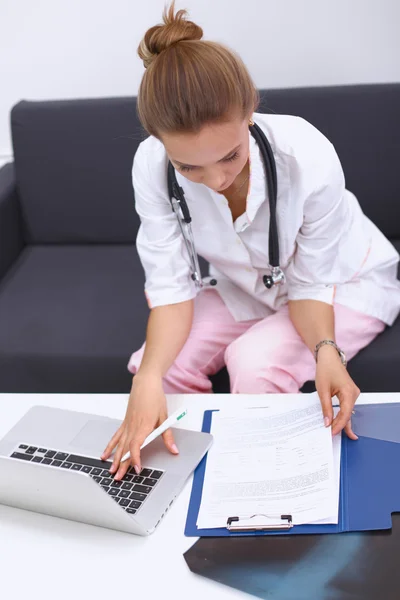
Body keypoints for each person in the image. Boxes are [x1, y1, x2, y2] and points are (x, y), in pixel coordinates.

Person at [102, 3, 400, 480]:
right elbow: (172, 289)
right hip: (244, 285)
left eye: (229, 156)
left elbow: (310, 286)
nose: (216, 180)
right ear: (160, 143)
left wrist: (327, 350)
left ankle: (263, 486)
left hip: (342, 283)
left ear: (251, 109)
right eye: (189, 168)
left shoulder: (307, 155)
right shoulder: (150, 165)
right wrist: (151, 380)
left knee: (254, 364)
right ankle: (184, 478)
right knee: (156, 368)